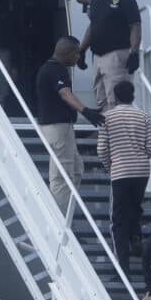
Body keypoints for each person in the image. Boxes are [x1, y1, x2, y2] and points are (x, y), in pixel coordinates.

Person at [35, 36, 106, 214]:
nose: (78, 58)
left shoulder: (50, 68)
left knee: (76, 170)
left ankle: (65, 214)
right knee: (62, 177)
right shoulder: (56, 70)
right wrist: (86, 111)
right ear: (66, 53)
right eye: (76, 54)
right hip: (57, 128)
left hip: (59, 127)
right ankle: (58, 222)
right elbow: (65, 93)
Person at [98, 81, 151, 270]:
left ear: (115, 97)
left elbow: (101, 149)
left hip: (121, 171)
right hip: (141, 171)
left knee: (118, 221)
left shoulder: (107, 117)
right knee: (134, 207)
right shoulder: (143, 116)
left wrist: (110, 166)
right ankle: (136, 236)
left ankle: (123, 268)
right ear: (133, 96)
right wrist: (139, 159)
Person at [78, 0, 141, 110]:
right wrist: (82, 50)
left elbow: (135, 27)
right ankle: (105, 131)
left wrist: (135, 52)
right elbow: (92, 26)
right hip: (97, 56)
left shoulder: (127, 0)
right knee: (100, 99)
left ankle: (118, 130)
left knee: (116, 99)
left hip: (116, 54)